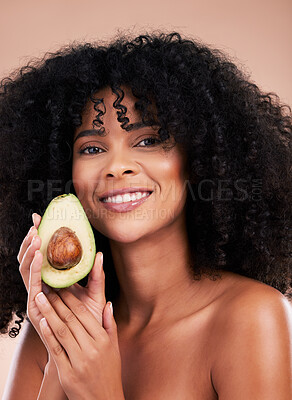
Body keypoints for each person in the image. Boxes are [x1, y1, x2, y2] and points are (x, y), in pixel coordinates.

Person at [0, 31, 291, 399]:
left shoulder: (250, 318)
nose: (117, 167)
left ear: (198, 160)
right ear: (64, 173)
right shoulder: (50, 331)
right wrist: (65, 352)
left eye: (149, 140)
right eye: (91, 148)